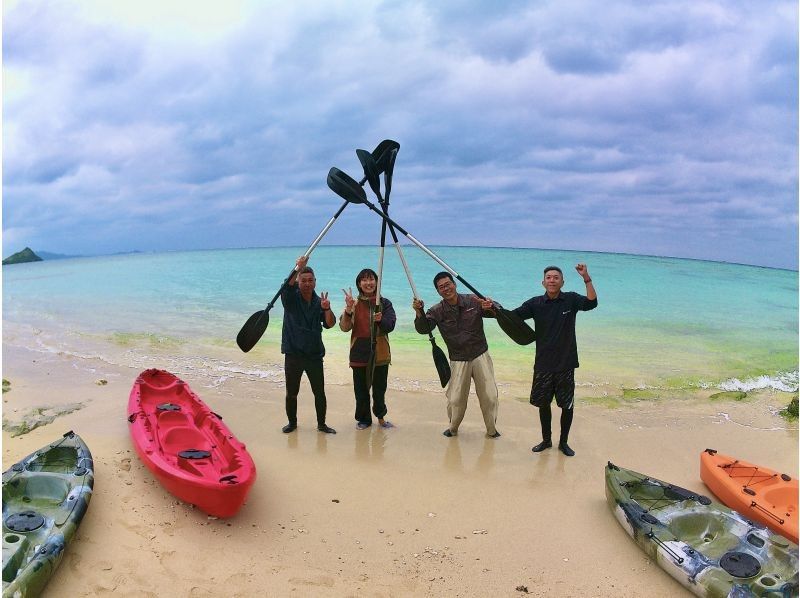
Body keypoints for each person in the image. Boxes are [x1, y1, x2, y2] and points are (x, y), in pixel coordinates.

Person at [512, 264, 597, 456]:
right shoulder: (535, 303)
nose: (552, 280)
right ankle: (546, 440)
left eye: (556, 277)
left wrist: (586, 278)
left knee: (567, 405)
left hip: (566, 363)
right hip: (543, 363)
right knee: (543, 404)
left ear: (562, 282)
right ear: (543, 282)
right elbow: (513, 317)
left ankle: (563, 443)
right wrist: (492, 308)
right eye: (548, 278)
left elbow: (592, 303)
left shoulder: (571, 300)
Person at [412, 272, 500, 439]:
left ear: (455, 284)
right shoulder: (436, 310)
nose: (446, 288)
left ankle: (492, 430)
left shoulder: (473, 300)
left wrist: (491, 305)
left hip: (480, 354)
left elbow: (495, 312)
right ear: (438, 292)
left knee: (490, 396)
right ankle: (453, 428)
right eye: (441, 287)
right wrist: (418, 312)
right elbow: (424, 329)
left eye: (448, 284)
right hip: (458, 359)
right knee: (455, 400)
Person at [279, 255, 337, 434]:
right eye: (303, 280)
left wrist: (327, 309)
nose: (307, 283)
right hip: (293, 354)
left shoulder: (320, 302)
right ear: (298, 282)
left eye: (310, 280)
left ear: (315, 282)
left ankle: (321, 424)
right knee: (292, 393)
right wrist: (297, 267)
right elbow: (285, 287)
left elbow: (330, 324)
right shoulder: (290, 299)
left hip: (314, 355)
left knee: (319, 393)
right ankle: (292, 423)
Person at [339, 268, 397, 429]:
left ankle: (381, 417)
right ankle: (364, 419)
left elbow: (390, 325)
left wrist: (380, 320)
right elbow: (344, 327)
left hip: (380, 353)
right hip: (359, 352)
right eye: (364, 280)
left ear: (377, 282)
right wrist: (349, 309)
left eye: (371, 279)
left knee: (379, 390)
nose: (368, 283)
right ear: (359, 284)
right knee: (361, 391)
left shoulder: (384, 303)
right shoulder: (354, 303)